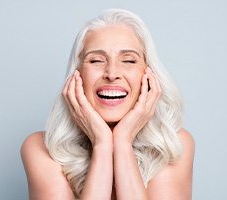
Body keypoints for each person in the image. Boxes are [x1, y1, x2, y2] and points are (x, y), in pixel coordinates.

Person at [21, 8, 195, 200]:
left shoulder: (173, 144)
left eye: (128, 60)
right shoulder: (40, 148)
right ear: (76, 75)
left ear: (148, 75)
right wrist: (102, 144)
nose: (112, 74)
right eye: (96, 60)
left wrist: (122, 141)